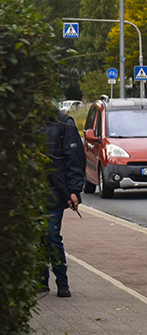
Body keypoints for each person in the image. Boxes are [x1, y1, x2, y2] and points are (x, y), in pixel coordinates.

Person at [42, 107, 86, 297]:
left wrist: (74, 190)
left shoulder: (64, 125)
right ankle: (41, 281)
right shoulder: (28, 124)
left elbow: (74, 160)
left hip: (55, 192)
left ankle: (62, 282)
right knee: (38, 237)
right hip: (33, 193)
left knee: (51, 235)